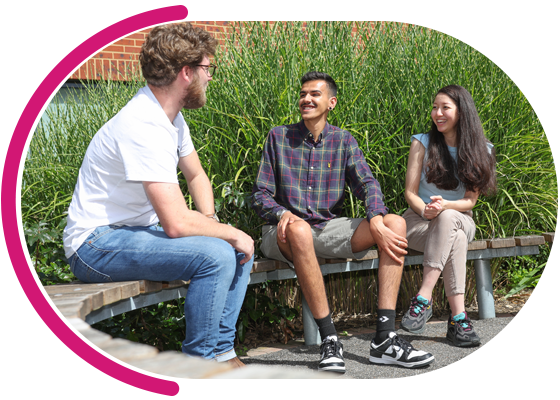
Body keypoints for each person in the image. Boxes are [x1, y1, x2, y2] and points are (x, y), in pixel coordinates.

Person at [63, 22, 254, 367]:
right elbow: (177, 225)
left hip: (135, 233)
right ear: (186, 72)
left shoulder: (171, 118)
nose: (210, 76)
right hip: (94, 244)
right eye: (208, 68)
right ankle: (198, 368)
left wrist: (213, 222)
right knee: (220, 253)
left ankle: (223, 353)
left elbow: (196, 175)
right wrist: (229, 234)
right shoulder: (143, 125)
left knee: (235, 248)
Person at [251, 71, 434, 373]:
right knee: (298, 229)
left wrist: (375, 218)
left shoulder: (343, 140)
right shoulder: (279, 137)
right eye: (303, 94)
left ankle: (385, 339)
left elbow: (368, 183)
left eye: (314, 94)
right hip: (282, 231)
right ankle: (330, 339)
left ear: (331, 102)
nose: (306, 99)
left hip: (325, 228)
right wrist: (282, 213)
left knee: (395, 225)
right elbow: (260, 194)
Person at [400, 85, 497, 347]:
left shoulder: (482, 149)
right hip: (418, 221)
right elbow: (410, 193)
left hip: (459, 218)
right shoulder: (422, 142)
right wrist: (425, 209)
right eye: (434, 107)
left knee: (448, 221)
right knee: (454, 237)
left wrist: (443, 207)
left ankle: (423, 297)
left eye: (445, 108)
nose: (437, 113)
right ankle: (459, 320)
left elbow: (470, 201)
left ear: (462, 112)